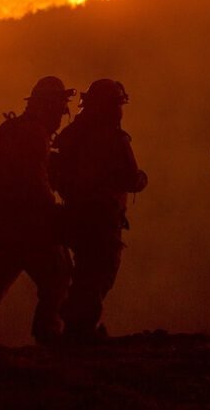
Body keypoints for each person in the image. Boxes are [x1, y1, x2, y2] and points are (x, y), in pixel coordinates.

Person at [0, 76, 75, 345]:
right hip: (28, 227)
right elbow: (33, 181)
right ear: (47, 106)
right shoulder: (33, 134)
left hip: (1, 226)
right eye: (59, 109)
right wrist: (56, 214)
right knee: (58, 276)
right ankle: (48, 335)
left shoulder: (9, 129)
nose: (61, 116)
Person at [53, 79, 148, 343]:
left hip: (75, 214)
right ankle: (79, 331)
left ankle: (75, 326)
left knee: (86, 270)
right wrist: (142, 179)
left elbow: (56, 171)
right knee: (100, 271)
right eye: (118, 104)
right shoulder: (113, 137)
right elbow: (130, 178)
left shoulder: (72, 134)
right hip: (102, 218)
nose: (120, 109)